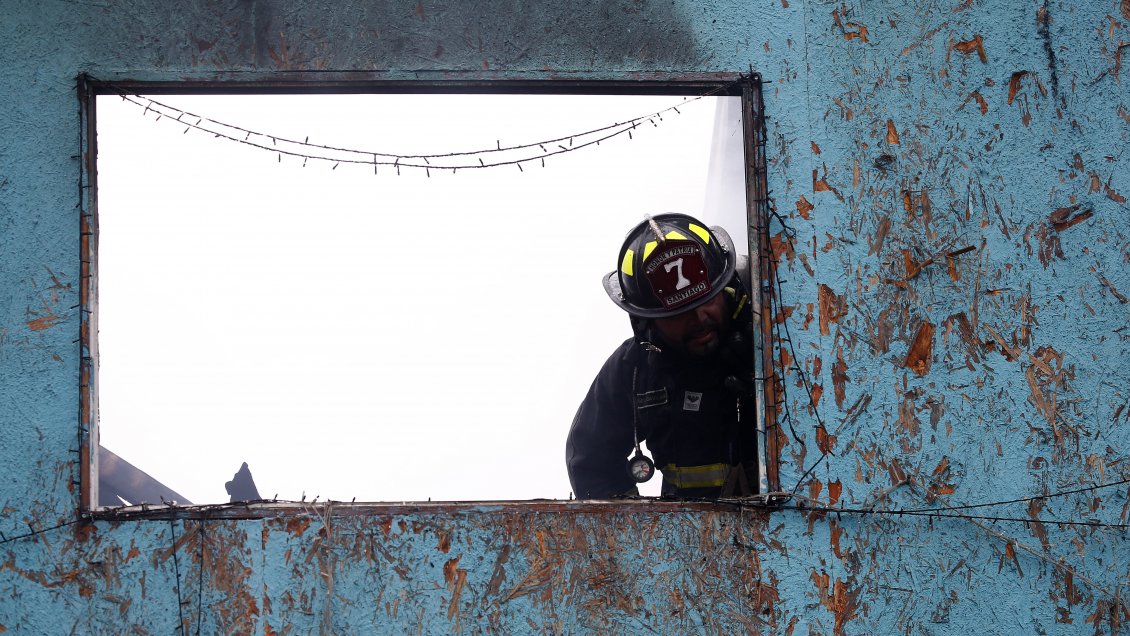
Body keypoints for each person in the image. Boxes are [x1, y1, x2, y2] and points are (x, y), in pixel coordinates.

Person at [566, 213, 759, 499]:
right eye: (678, 314)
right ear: (647, 322)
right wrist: (635, 533)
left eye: (706, 300)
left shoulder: (777, 340)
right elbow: (591, 461)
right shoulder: (634, 370)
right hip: (691, 539)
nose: (699, 319)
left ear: (727, 289)